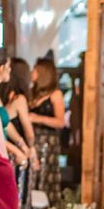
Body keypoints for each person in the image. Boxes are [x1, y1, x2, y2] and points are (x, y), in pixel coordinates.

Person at [30, 58, 65, 197]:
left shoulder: (56, 94)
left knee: (46, 176)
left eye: (35, 69)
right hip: (32, 140)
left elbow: (60, 122)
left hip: (48, 141)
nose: (32, 72)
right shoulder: (32, 92)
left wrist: (37, 118)